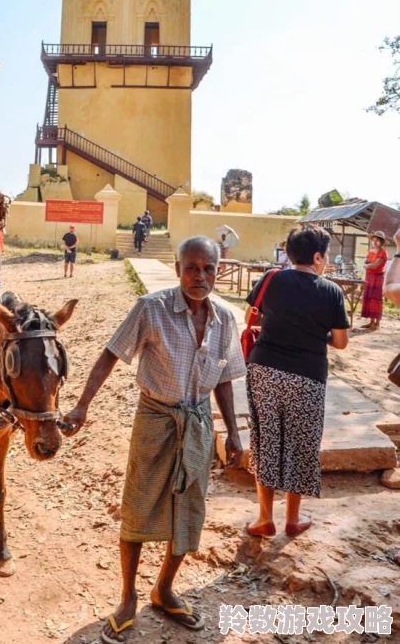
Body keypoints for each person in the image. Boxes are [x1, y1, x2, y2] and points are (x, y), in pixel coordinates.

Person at [64, 236, 246, 643]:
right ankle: (127, 597)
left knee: (189, 508)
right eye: (191, 267)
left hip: (198, 422)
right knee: (140, 505)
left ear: (218, 270)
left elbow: (225, 380)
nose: (200, 276)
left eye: (208, 268)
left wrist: (232, 431)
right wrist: (82, 406)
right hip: (155, 418)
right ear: (179, 268)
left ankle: (163, 589)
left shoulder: (224, 320)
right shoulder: (152, 308)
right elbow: (112, 353)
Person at [244, 226, 349, 539]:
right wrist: (318, 332)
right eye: (326, 255)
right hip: (307, 377)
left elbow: (254, 315)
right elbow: (341, 342)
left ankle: (264, 518)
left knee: (266, 441)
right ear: (317, 256)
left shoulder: (271, 278)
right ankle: (292, 518)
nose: (326, 261)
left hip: (264, 369)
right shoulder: (331, 291)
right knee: (300, 446)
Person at [360, 231, 388, 330]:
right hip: (369, 277)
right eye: (374, 240)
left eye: (377, 240)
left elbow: (376, 265)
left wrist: (366, 265)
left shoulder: (383, 252)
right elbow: (365, 261)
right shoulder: (370, 251)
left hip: (377, 277)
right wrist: (366, 265)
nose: (375, 242)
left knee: (376, 299)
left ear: (382, 242)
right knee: (369, 298)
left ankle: (377, 323)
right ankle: (371, 322)